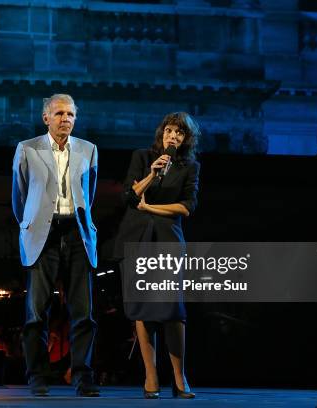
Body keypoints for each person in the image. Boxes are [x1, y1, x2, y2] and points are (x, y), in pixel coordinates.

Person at [12, 93, 99, 397]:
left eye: (71, 115)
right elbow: (19, 196)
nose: (66, 120)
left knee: (83, 311)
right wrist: (32, 225)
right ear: (46, 117)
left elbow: (90, 193)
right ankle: (37, 375)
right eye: (60, 114)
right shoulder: (27, 148)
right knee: (36, 312)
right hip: (42, 235)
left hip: (76, 233)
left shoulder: (89, 149)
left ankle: (82, 376)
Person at [114, 112, 200, 399]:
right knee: (142, 311)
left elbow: (186, 207)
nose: (173, 136)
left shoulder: (190, 166)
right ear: (161, 133)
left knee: (171, 311)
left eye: (179, 133)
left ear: (186, 139)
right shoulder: (142, 157)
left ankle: (179, 378)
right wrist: (152, 173)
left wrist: (151, 208)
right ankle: (151, 378)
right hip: (137, 239)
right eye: (169, 130)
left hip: (168, 241)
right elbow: (129, 196)